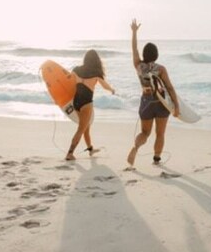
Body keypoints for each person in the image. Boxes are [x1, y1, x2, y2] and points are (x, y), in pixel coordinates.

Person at [126, 19, 179, 170]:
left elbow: (134, 49)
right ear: (156, 55)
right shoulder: (161, 69)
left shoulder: (139, 66)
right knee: (160, 134)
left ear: (144, 54)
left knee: (145, 133)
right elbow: (170, 88)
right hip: (161, 103)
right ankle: (156, 159)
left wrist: (134, 32)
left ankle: (136, 148)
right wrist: (176, 106)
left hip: (146, 102)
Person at [65, 49, 115, 161]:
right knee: (81, 129)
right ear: (96, 60)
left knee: (85, 127)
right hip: (86, 103)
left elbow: (68, 80)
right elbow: (105, 85)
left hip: (76, 102)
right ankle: (70, 153)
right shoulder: (96, 73)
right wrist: (112, 90)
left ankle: (90, 149)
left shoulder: (76, 69)